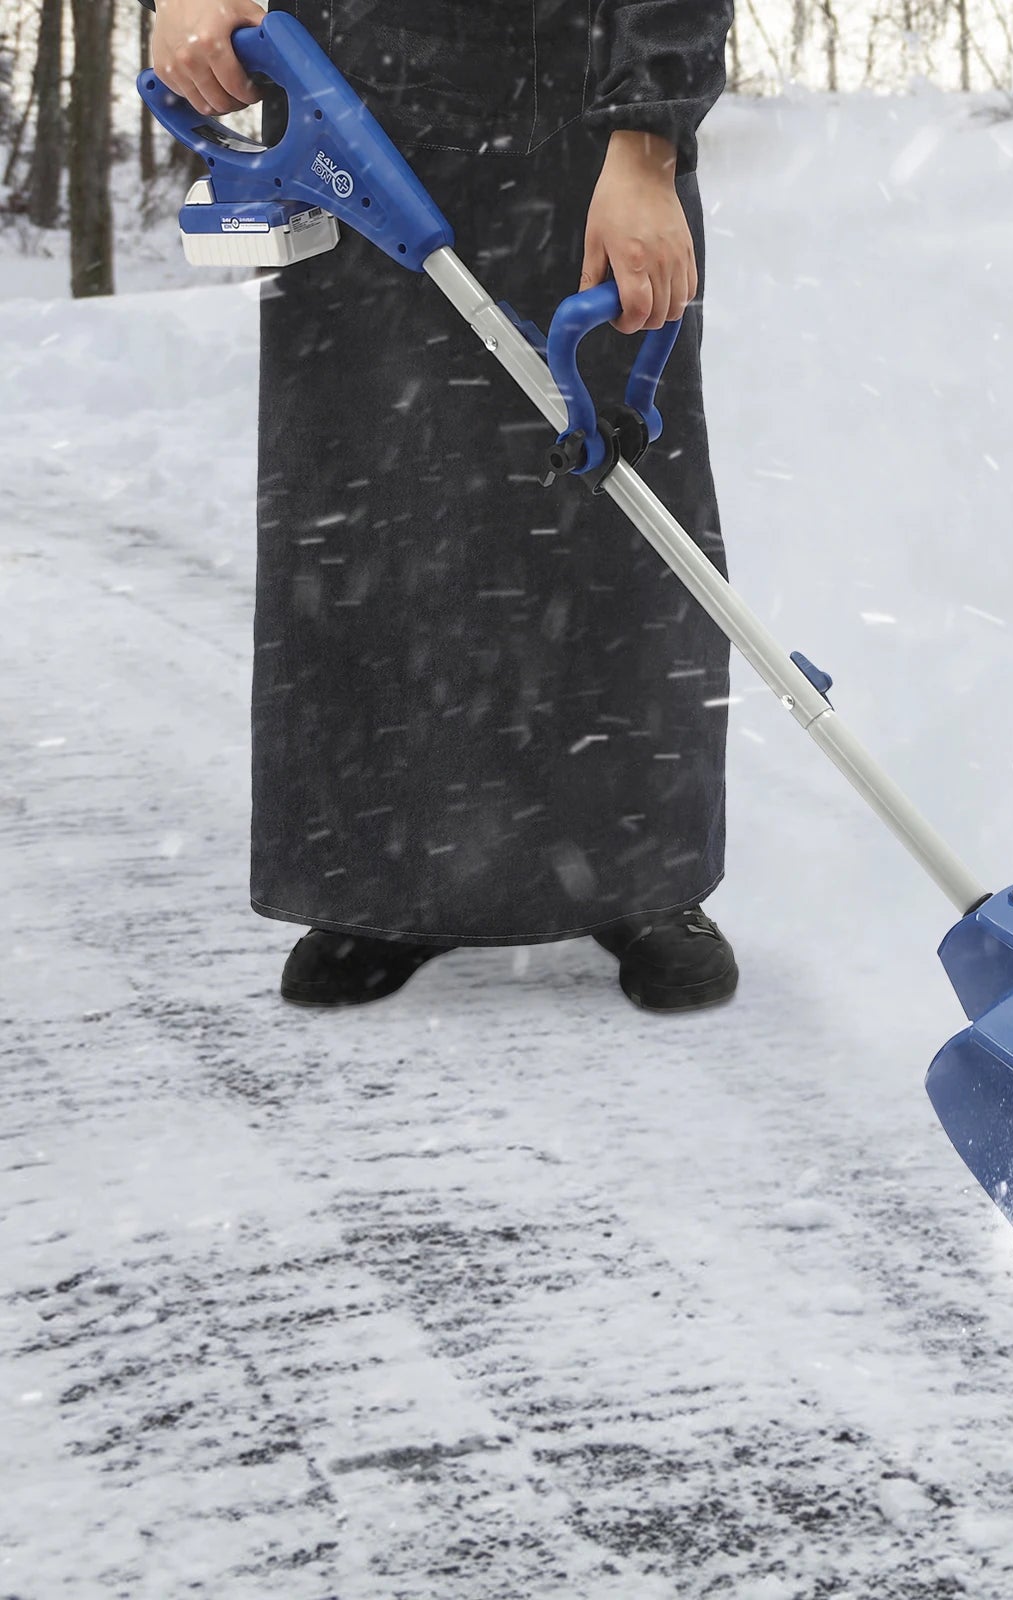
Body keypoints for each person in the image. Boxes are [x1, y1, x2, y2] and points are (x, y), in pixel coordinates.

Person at [140, 0, 740, 1012]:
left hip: (582, 99)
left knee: (609, 486)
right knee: (367, 500)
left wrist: (648, 138)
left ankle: (639, 871)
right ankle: (378, 874)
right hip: (347, 90)